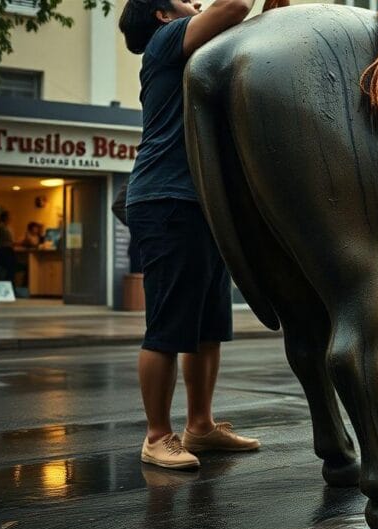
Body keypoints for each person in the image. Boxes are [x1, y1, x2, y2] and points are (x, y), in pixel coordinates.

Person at [119, 0, 259, 470]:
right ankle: (157, 436)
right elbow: (236, 5)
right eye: (184, 0)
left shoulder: (192, 49)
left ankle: (200, 427)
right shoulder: (165, 43)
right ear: (163, 15)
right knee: (166, 327)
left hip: (202, 204)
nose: (195, 2)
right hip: (166, 201)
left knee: (206, 327)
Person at [0, 210, 16, 281]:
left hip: (6, 250)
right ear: (5, 218)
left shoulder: (7, 228)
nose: (10, 219)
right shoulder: (2, 228)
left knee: (7, 270)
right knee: (5, 271)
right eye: (9, 217)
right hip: (5, 251)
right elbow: (8, 240)